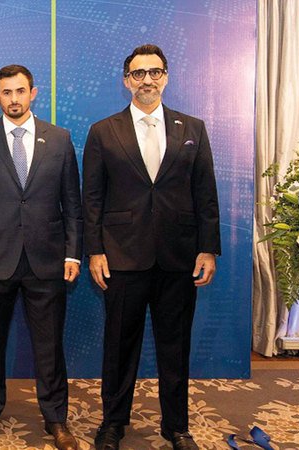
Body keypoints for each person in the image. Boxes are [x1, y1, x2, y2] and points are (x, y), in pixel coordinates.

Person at [82, 44, 220, 450]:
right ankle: (113, 424)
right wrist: (95, 250)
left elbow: (205, 193)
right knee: (119, 348)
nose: (147, 80)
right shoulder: (103, 131)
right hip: (122, 256)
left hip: (179, 257)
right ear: (127, 80)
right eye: (139, 73)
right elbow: (92, 198)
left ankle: (177, 427)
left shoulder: (192, 128)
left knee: (175, 347)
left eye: (155, 72)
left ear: (166, 77)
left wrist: (208, 248)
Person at [0, 64, 83, 450]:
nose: (13, 99)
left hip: (47, 258)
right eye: (6, 92)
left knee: (50, 346)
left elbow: (73, 202)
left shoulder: (60, 139)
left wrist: (73, 254)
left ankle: (56, 419)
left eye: (20, 91)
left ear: (33, 93)